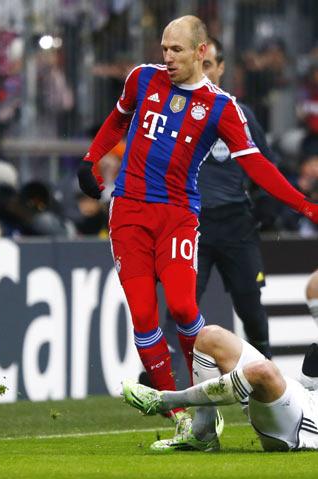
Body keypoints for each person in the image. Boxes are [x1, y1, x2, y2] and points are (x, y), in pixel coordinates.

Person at [77, 15, 318, 438]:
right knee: (145, 317)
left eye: (177, 50)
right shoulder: (141, 79)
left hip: (178, 216)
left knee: (186, 308)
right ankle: (183, 421)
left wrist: (305, 206)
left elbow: (257, 164)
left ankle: (204, 399)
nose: (167, 58)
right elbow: (118, 118)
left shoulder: (221, 106)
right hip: (129, 211)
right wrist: (89, 159)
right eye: (164, 48)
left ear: (201, 52)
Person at [165, 37, 275, 360]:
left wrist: (267, 208)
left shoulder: (241, 115)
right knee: (181, 304)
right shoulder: (173, 113)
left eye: (209, 64)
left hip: (235, 224)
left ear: (221, 69)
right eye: (198, 64)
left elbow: (266, 167)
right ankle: (168, 373)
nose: (203, 71)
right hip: (191, 225)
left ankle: (265, 368)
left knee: (249, 302)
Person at [122, 325, 318, 452]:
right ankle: (202, 434)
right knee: (210, 336)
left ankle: (165, 401)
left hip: (303, 428)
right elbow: (308, 382)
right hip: (301, 395)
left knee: (263, 372)